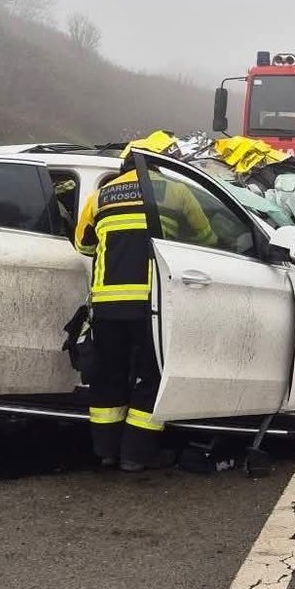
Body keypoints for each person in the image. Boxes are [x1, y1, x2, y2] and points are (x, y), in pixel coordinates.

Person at [75, 130, 214, 471]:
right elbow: (206, 238)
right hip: (153, 305)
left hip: (107, 305)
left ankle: (106, 451)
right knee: (152, 375)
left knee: (109, 376)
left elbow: (84, 245)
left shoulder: (101, 195)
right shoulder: (176, 192)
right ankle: (136, 455)